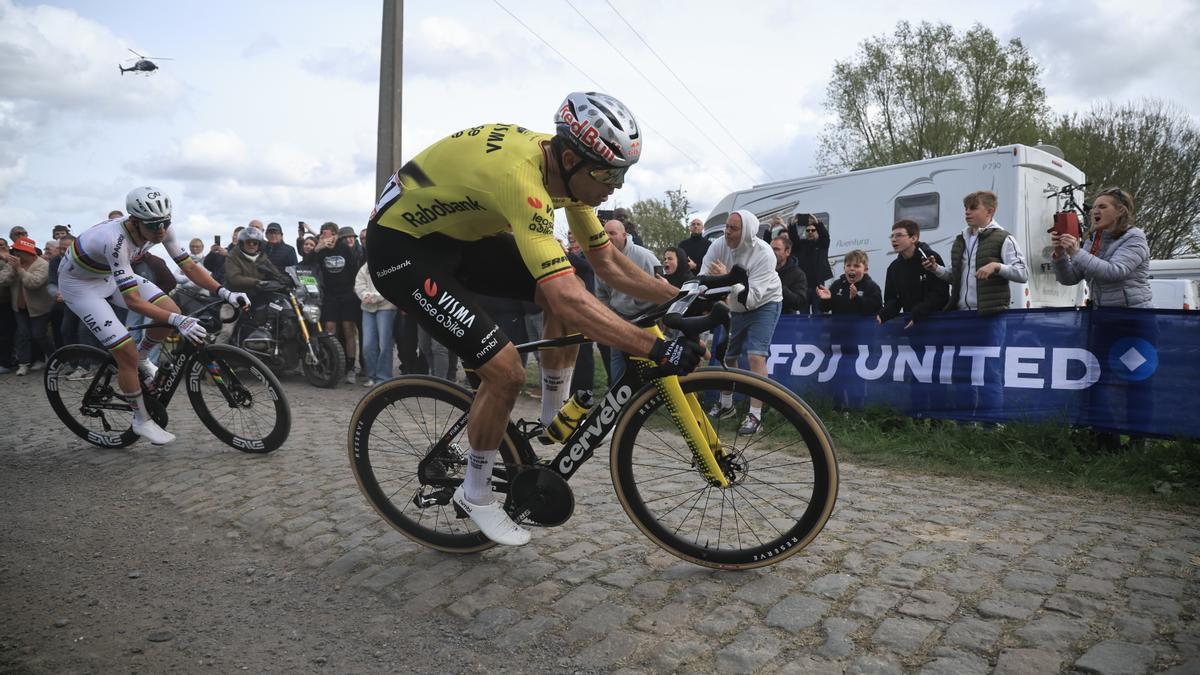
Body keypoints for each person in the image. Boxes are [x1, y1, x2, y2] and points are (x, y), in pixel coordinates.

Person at [367, 91, 701, 546]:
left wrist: (683, 295)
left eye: (622, 173)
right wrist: (655, 348)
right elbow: (567, 301)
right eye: (608, 173)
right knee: (505, 370)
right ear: (569, 157)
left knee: (566, 289)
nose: (616, 186)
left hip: (458, 238)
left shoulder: (567, 174)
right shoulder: (523, 181)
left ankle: (550, 415)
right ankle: (475, 491)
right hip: (402, 249)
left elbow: (607, 263)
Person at [56, 187, 249, 445]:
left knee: (171, 310)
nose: (161, 230)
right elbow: (132, 301)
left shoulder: (162, 229)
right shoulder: (115, 241)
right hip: (80, 286)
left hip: (108, 275)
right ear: (134, 222)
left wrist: (225, 292)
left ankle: (143, 358)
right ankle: (141, 420)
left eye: (165, 222)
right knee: (126, 350)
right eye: (153, 225)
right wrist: (179, 323)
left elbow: (188, 265)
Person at [701, 210, 784, 435]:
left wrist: (727, 277)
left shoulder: (765, 254)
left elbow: (751, 299)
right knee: (727, 355)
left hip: (765, 303)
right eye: (726, 226)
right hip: (734, 305)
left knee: (756, 356)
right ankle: (727, 405)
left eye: (733, 228)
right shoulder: (718, 245)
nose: (726, 231)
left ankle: (755, 416)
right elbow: (703, 279)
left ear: (746, 231)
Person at [927, 190, 1028, 315]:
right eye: (966, 208)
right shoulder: (960, 240)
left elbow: (1023, 273)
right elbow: (953, 277)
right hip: (960, 314)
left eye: (973, 208)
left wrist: (996, 266)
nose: (967, 212)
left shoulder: (1004, 238)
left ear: (990, 211)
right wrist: (935, 268)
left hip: (991, 315)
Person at [1052, 187, 1151, 308]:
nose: (1095, 211)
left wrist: (1076, 253)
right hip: (1101, 315)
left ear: (1120, 211)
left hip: (1133, 317)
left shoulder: (1134, 237)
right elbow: (1069, 279)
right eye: (1094, 207)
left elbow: (1115, 272)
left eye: (1102, 207)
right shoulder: (1092, 239)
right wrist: (1060, 254)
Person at [596, 219, 659, 382]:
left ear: (624, 235)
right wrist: (612, 317)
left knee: (648, 367)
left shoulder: (644, 256)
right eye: (605, 233)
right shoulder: (601, 260)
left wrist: (656, 317)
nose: (608, 237)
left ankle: (649, 400)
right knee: (618, 369)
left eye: (612, 233)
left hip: (646, 320)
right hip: (620, 320)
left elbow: (662, 286)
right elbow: (601, 294)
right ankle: (621, 403)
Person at [312, 225, 362, 384]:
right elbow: (308, 265)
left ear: (334, 235)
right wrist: (317, 249)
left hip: (347, 295)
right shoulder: (321, 250)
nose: (322, 236)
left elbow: (355, 270)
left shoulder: (344, 249)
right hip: (330, 296)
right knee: (329, 330)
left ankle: (350, 367)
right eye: (321, 234)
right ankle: (332, 364)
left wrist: (355, 290)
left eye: (325, 234)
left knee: (348, 329)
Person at [877, 220, 950, 328]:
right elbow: (893, 299)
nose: (893, 239)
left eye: (899, 235)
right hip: (912, 324)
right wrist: (883, 314)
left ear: (914, 238)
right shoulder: (894, 268)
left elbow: (940, 293)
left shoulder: (930, 259)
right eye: (892, 236)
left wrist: (919, 312)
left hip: (937, 323)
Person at [0, 236, 55, 376]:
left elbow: (33, 284)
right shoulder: (13, 263)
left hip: (39, 308)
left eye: (18, 250)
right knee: (22, 334)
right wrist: (14, 270)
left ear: (28, 252)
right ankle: (23, 364)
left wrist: (19, 269)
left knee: (39, 334)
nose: (15, 253)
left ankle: (54, 358)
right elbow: (3, 280)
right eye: (15, 250)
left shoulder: (43, 265)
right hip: (18, 307)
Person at [355, 255, 396, 387]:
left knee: (384, 344)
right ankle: (371, 376)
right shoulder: (364, 268)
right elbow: (359, 285)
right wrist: (365, 295)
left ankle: (383, 378)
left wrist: (374, 297)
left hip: (386, 308)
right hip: (367, 309)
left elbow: (391, 286)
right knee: (367, 345)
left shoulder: (390, 265)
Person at [817, 250, 882, 315]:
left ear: (865, 270)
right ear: (844, 268)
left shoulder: (872, 287)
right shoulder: (836, 285)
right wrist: (825, 300)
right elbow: (824, 309)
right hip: (839, 325)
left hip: (862, 325)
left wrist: (856, 299)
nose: (852, 268)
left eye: (856, 266)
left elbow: (876, 310)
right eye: (848, 265)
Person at [791, 213, 832, 314]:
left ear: (817, 231)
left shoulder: (822, 244)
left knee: (818, 315)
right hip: (803, 287)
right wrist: (792, 225)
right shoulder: (800, 245)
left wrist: (817, 223)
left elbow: (825, 236)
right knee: (803, 317)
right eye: (808, 230)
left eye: (813, 230)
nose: (810, 232)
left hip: (818, 287)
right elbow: (793, 239)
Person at [772, 235, 808, 314]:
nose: (772, 252)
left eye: (777, 249)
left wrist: (780, 287)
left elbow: (800, 302)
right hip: (763, 318)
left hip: (786, 319)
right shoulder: (763, 270)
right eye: (771, 249)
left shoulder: (798, 274)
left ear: (787, 252)